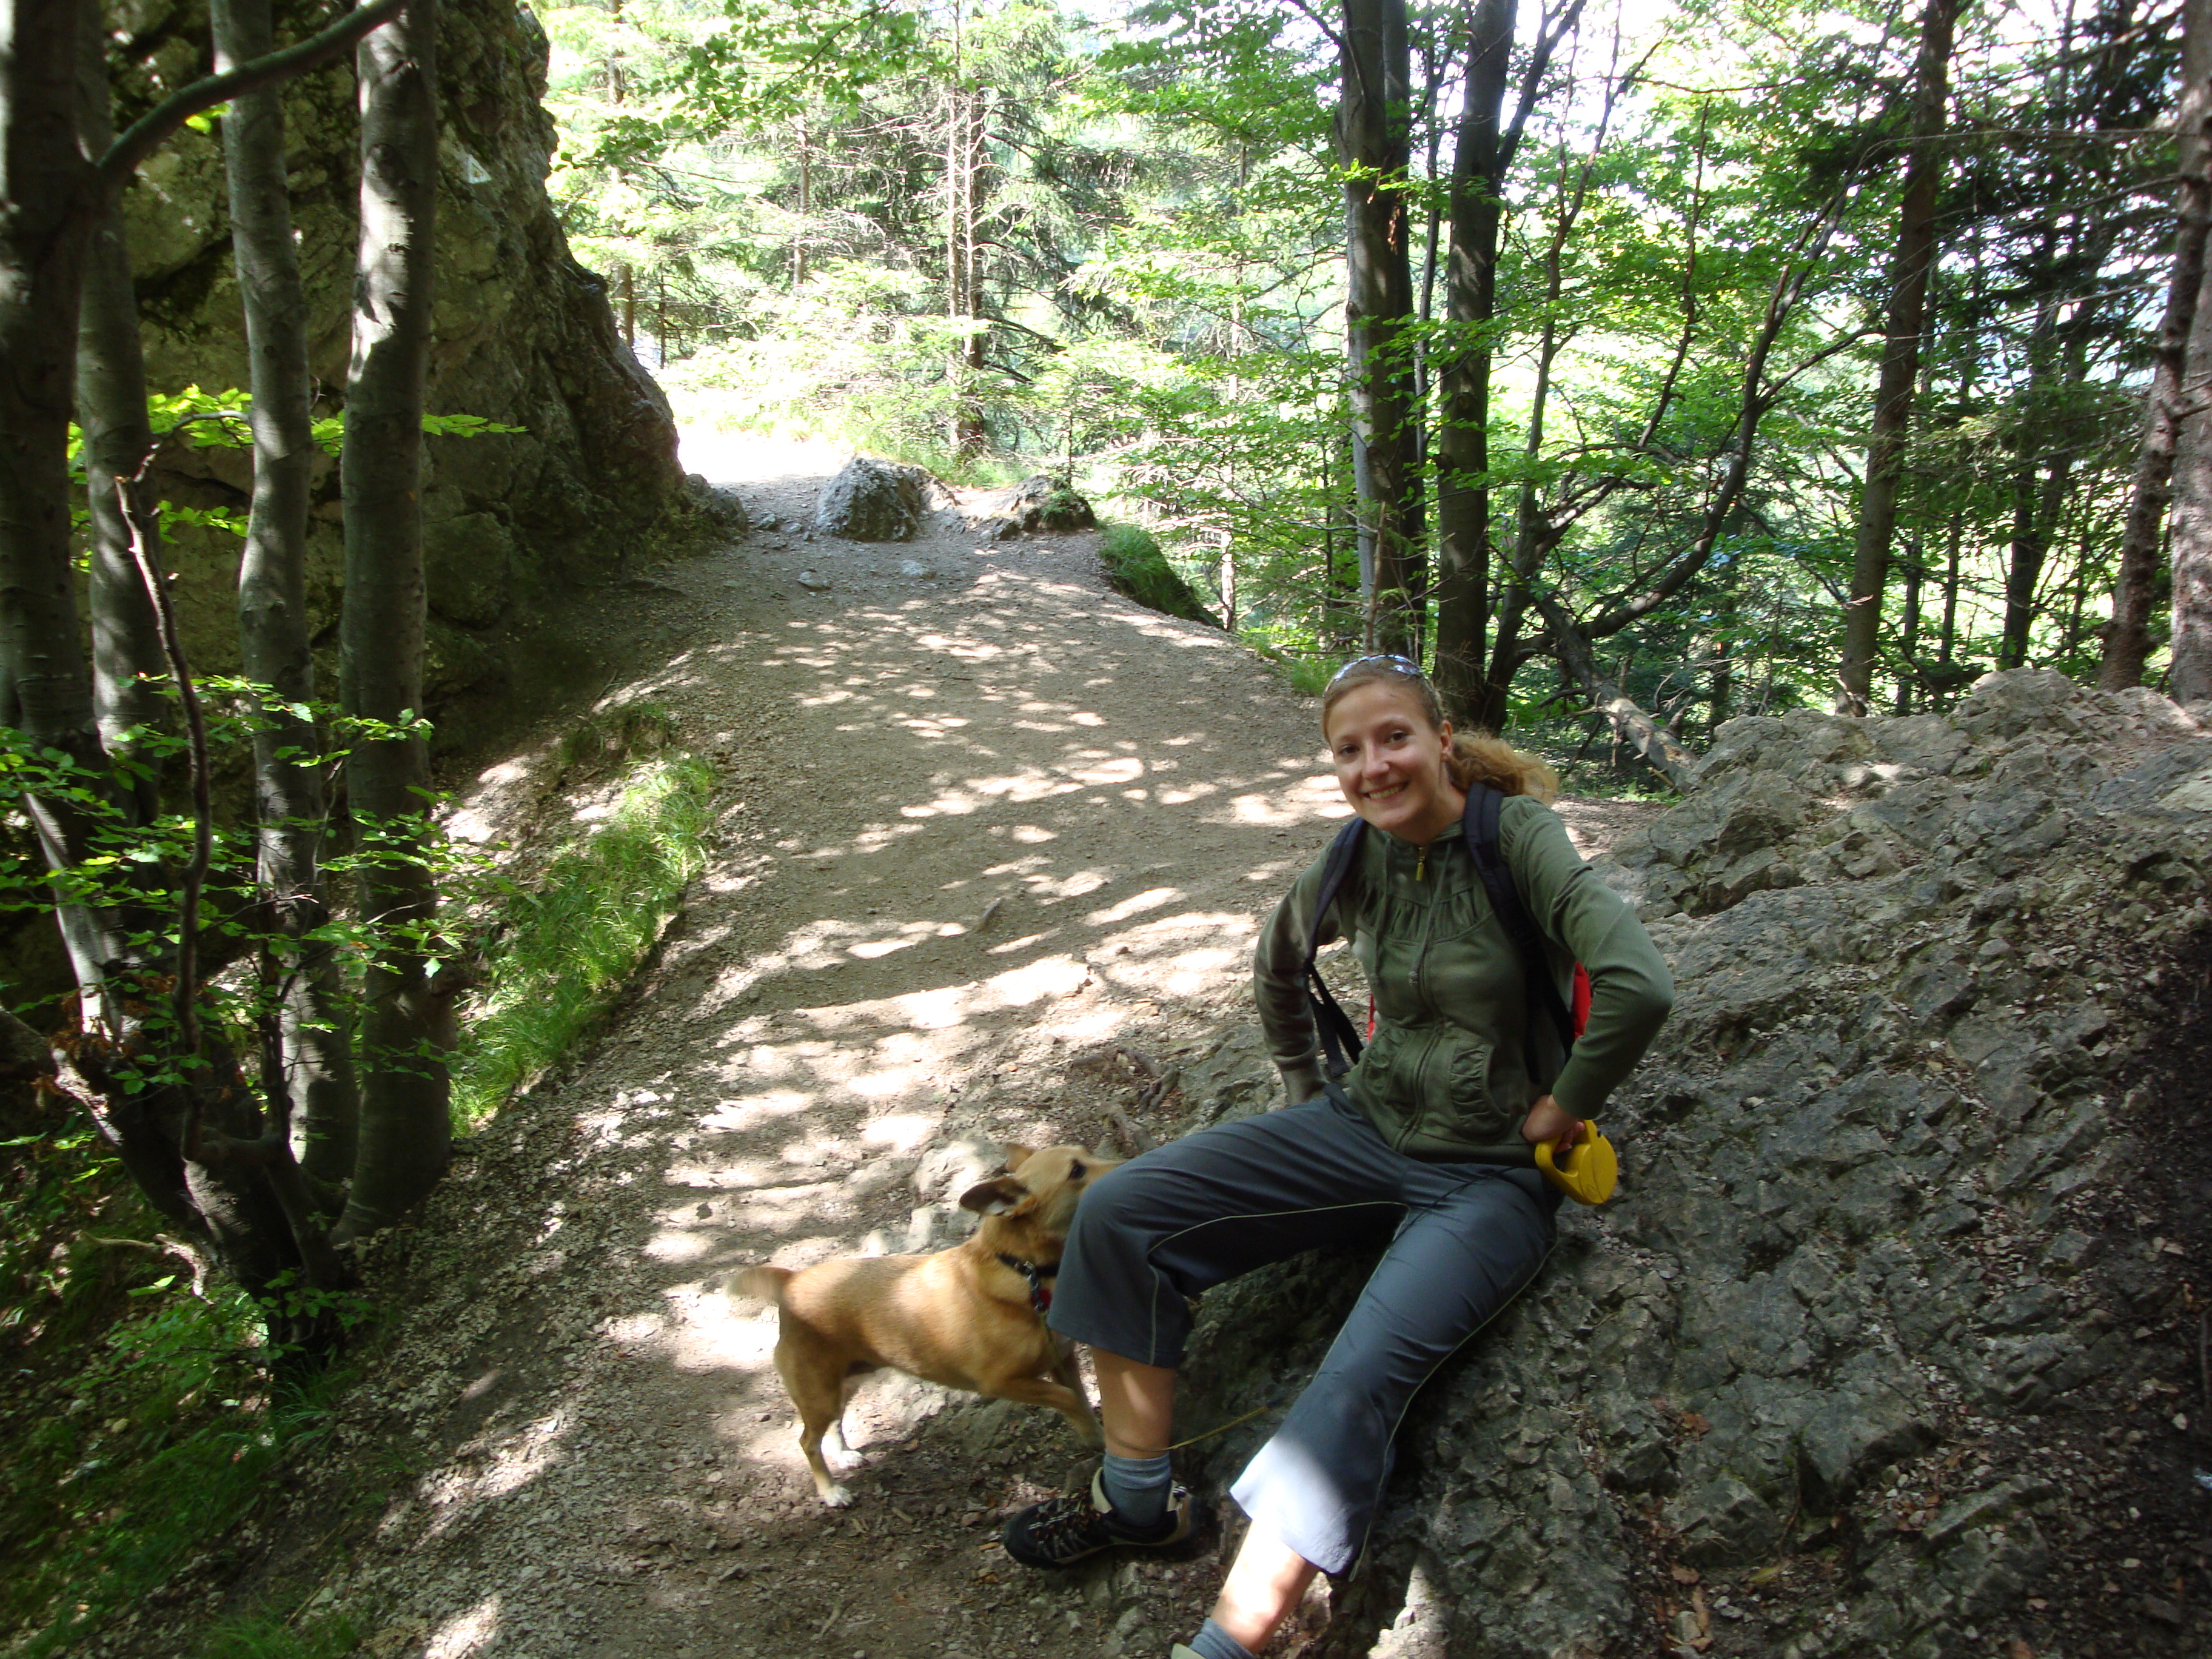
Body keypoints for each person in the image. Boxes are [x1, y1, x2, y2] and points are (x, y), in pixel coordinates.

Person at [997, 653, 1675, 1659]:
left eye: (1395, 737)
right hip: (1361, 1128)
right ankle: (1138, 1503)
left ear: (1443, 740)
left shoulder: (1516, 839)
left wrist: (1566, 1106)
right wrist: (1302, 1090)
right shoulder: (1356, 853)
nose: (1374, 766)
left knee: (1351, 1380)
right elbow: (1277, 961)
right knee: (1120, 1211)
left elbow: (1639, 983)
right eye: (1349, 751)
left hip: (1487, 1179)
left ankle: (1223, 1649)